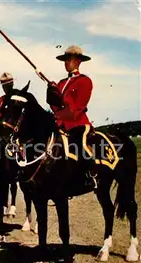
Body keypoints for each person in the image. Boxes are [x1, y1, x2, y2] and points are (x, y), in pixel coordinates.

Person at [46, 45, 95, 188]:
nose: (66, 63)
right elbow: (54, 106)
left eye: (69, 60)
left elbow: (77, 109)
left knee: (80, 145)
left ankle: (91, 175)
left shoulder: (85, 81)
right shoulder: (61, 83)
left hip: (77, 124)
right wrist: (52, 93)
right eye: (65, 60)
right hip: (60, 124)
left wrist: (59, 115)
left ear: (78, 62)